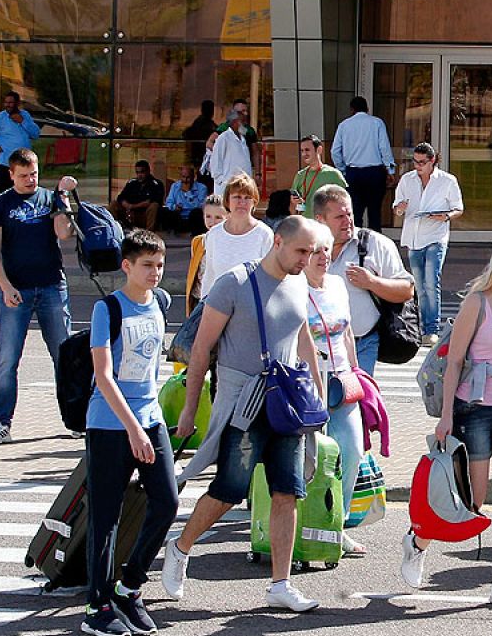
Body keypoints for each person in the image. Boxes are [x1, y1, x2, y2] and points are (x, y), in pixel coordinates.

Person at [166, 216, 324, 613]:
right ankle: (180, 547)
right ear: (277, 242)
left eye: (312, 251)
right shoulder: (235, 283)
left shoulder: (298, 283)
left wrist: (318, 400)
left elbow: (303, 339)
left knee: (287, 491)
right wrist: (189, 409)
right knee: (230, 488)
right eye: (301, 250)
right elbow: (201, 349)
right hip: (245, 405)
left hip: (287, 406)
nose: (307, 259)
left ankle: (280, 584)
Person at [400, 230, 492, 606]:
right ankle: (418, 540)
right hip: (473, 407)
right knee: (472, 501)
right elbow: (455, 362)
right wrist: (445, 416)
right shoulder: (477, 304)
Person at [80, 229, 179, 636]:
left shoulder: (158, 303)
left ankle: (129, 586)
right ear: (127, 267)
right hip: (109, 424)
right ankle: (97, 605)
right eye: (146, 266)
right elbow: (103, 376)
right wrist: (133, 428)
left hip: (149, 417)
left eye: (159, 265)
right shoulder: (107, 310)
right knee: (106, 516)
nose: (155, 273)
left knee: (167, 501)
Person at [0, 149, 77, 445]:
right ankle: (1, 422)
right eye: (23, 175)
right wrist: (5, 286)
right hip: (17, 290)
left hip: (51, 286)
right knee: (8, 359)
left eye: (33, 174)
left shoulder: (49, 198)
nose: (29, 180)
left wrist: (62, 199)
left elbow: (64, 234)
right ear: (11, 174)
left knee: (65, 356)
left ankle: (77, 418)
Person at [303, 220, 367, 559]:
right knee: (313, 460)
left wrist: (356, 373)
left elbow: (347, 331)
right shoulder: (295, 288)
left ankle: (336, 526)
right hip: (307, 384)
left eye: (327, 250)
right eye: (315, 251)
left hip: (341, 381)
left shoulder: (338, 285)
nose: (323, 256)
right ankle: (306, 524)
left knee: (352, 449)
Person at [312, 185, 413, 374]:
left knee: (357, 399)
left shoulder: (375, 244)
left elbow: (407, 290)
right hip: (317, 347)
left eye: (349, 214)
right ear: (320, 220)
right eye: (339, 217)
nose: (347, 222)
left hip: (362, 342)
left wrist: (372, 282)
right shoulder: (306, 248)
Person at [393, 143, 464, 348]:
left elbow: (458, 208)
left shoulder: (447, 181)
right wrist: (400, 208)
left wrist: (446, 216)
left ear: (432, 161)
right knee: (419, 286)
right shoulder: (407, 180)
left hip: (436, 235)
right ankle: (422, 326)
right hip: (414, 237)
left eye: (422, 162)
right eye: (415, 162)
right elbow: (397, 208)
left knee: (432, 282)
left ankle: (431, 329)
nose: (418, 166)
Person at [198, 173, 274, 300]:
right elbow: (209, 276)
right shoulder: (214, 235)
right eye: (237, 197)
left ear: (254, 202)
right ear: (227, 200)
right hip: (218, 307)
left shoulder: (264, 234)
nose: (242, 202)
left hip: (252, 307)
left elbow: (271, 277)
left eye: (247, 197)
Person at [331, 96, 396, 230]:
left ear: (351, 109)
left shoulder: (344, 125)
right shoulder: (377, 123)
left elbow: (335, 151)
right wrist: (390, 170)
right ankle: (375, 246)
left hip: (353, 172)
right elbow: (384, 148)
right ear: (367, 108)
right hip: (375, 172)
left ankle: (356, 245)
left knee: (355, 213)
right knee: (375, 213)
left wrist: (343, 169)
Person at [0, 91, 41, 194]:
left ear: (17, 103)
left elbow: (35, 134)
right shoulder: (0, 118)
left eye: (11, 102)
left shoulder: (25, 115)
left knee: (25, 192)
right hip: (7, 163)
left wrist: (22, 121)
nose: (8, 105)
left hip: (25, 163)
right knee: (4, 195)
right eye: (6, 102)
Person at [185, 194, 227, 314]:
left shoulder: (230, 243)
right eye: (208, 216)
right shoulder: (198, 242)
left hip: (221, 301)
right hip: (199, 298)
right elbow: (194, 273)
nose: (212, 222)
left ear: (228, 217)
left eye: (218, 217)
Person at [291, 135, 347, 218]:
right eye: (302, 150)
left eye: (307, 150)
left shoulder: (333, 174)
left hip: (326, 225)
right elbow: (292, 204)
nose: (304, 154)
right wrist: (294, 201)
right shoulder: (300, 175)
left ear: (319, 150)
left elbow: (344, 201)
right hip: (306, 223)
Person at [202, 104, 254, 186]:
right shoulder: (223, 138)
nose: (244, 126)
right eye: (242, 122)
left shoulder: (243, 140)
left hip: (243, 186)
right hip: (227, 187)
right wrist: (223, 182)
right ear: (234, 123)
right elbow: (215, 164)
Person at [113, 160, 165, 232]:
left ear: (148, 171)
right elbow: (121, 197)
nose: (139, 175)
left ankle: (149, 235)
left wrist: (133, 206)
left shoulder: (156, 184)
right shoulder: (132, 183)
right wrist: (127, 205)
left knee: (154, 206)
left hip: (144, 216)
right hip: (130, 214)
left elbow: (153, 201)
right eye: (137, 172)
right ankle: (113, 230)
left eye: (142, 172)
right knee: (114, 204)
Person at [161, 165, 208, 235]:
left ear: (193, 177)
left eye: (188, 177)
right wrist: (175, 207)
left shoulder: (202, 188)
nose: (185, 180)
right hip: (179, 216)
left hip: (192, 217)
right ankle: (171, 233)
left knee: (197, 213)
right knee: (165, 211)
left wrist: (188, 193)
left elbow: (201, 206)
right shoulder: (175, 186)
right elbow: (169, 202)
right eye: (183, 177)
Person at [181, 100, 216, 182]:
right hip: (200, 158)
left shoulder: (210, 124)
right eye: (209, 109)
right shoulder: (200, 123)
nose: (211, 112)